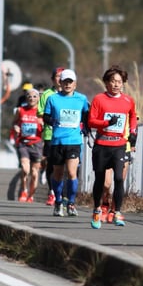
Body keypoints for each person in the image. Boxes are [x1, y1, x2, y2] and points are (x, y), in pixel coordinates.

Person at [88, 66, 138, 229]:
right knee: (101, 180)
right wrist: (107, 123)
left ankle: (117, 212)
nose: (116, 85)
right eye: (113, 81)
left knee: (119, 178)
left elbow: (132, 117)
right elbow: (91, 121)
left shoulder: (128, 100)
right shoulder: (99, 99)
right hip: (102, 144)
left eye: (119, 82)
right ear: (106, 83)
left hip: (119, 145)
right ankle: (96, 209)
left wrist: (132, 131)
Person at [42, 69, 89, 217]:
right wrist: (52, 121)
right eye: (65, 81)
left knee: (71, 173)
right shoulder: (53, 99)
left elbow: (87, 116)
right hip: (57, 141)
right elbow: (46, 116)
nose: (68, 84)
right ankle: (58, 202)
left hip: (74, 141)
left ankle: (71, 203)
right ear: (60, 83)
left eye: (70, 82)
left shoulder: (81, 99)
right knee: (58, 174)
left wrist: (87, 128)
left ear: (75, 84)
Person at [38, 67, 65, 206]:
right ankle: (52, 192)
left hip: (67, 135)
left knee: (65, 165)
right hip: (50, 134)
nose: (60, 79)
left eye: (63, 76)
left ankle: (62, 193)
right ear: (52, 79)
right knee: (51, 164)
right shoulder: (47, 94)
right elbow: (40, 112)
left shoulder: (72, 95)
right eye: (58, 76)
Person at [11, 88, 43, 202]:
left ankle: (31, 195)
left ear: (38, 98)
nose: (31, 98)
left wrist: (43, 124)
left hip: (37, 144)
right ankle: (24, 190)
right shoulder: (20, 110)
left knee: (34, 173)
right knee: (25, 169)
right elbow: (14, 122)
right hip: (23, 143)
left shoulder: (41, 112)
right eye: (29, 96)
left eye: (34, 96)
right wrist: (16, 127)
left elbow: (48, 127)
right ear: (26, 98)